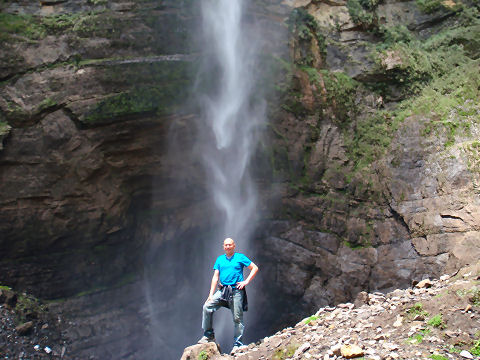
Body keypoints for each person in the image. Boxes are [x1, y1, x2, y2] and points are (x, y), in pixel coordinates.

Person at [198, 237, 259, 351]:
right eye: (226, 245)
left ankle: (238, 343)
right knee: (207, 306)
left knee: (237, 318)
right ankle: (209, 334)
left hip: (236, 290)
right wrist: (210, 295)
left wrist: (246, 281)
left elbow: (254, 268)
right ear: (223, 246)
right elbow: (215, 277)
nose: (227, 246)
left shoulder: (240, 257)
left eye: (230, 245)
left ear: (234, 246)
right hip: (222, 291)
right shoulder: (220, 259)